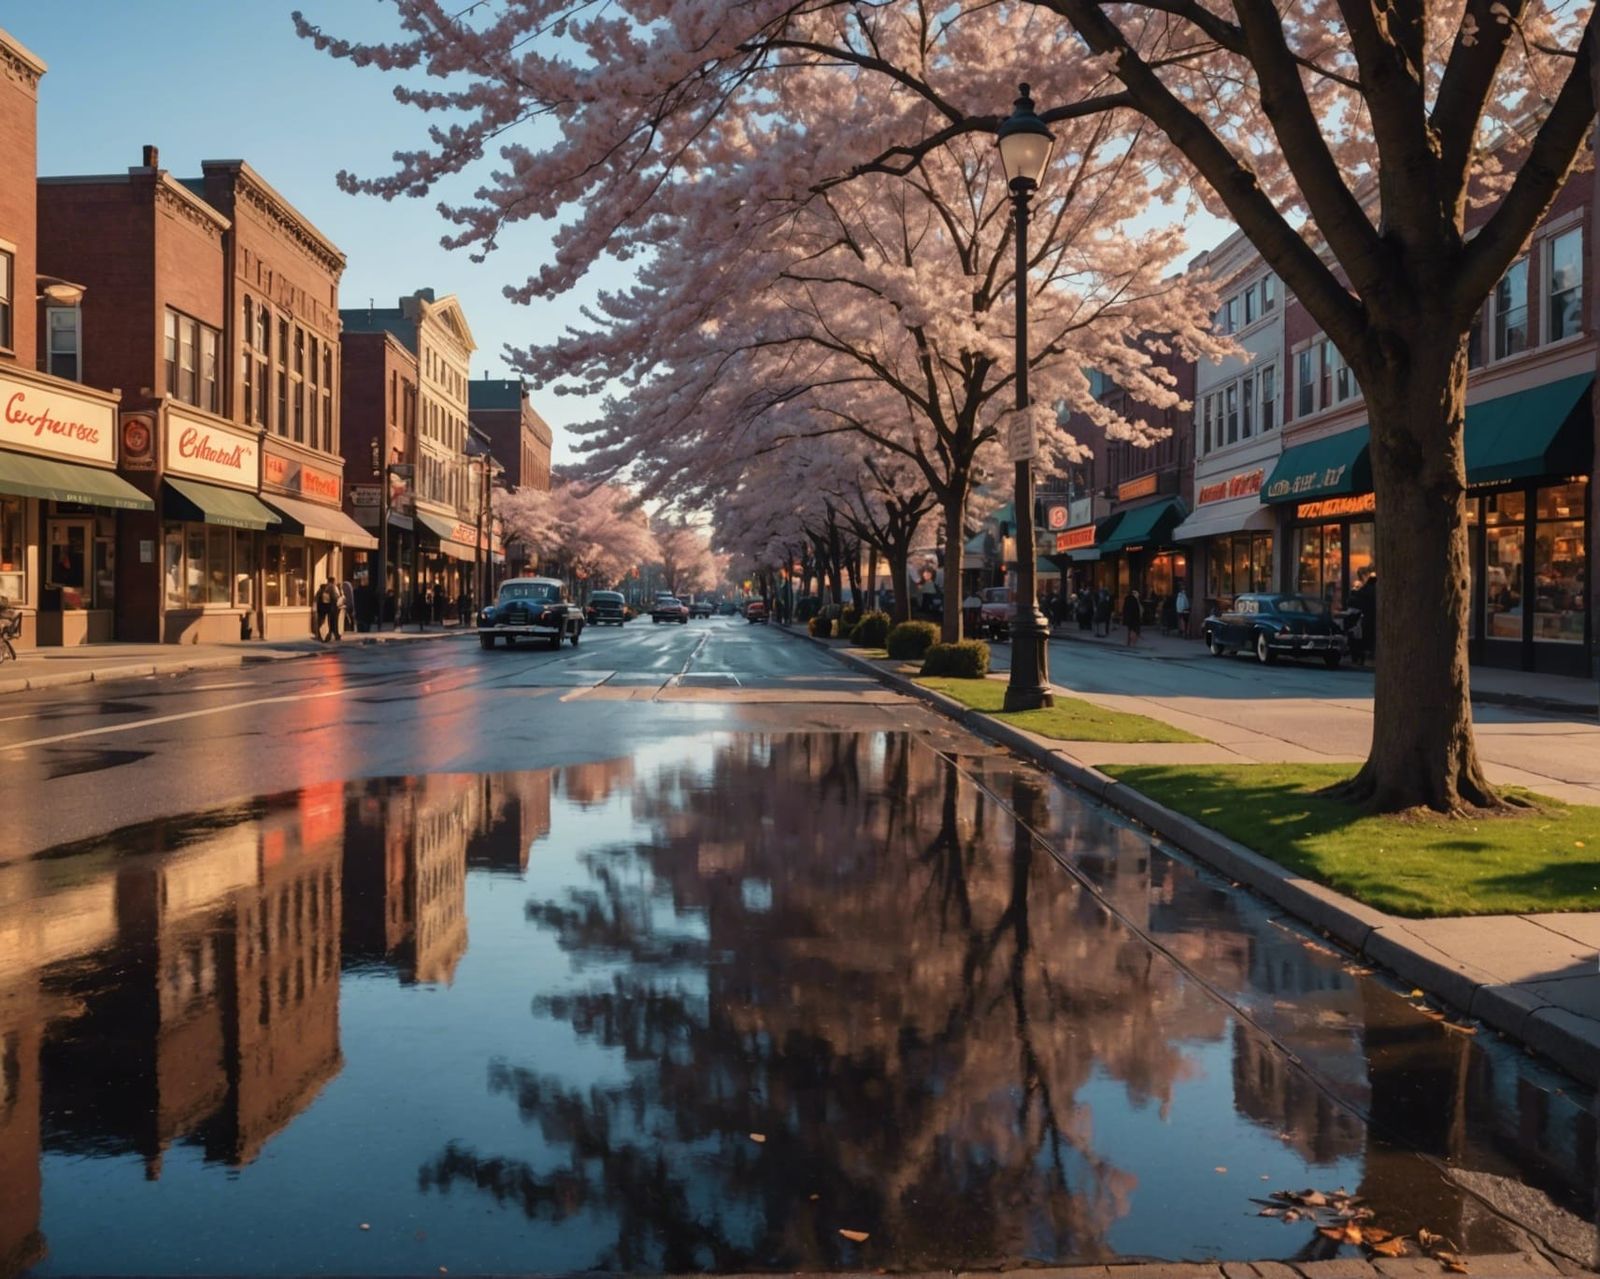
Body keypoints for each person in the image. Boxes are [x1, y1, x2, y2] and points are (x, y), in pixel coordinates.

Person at [1348, 568, 1377, 663]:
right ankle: (1367, 654)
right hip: (1371, 616)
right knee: (1368, 636)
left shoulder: (1364, 590)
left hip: (1365, 616)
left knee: (1362, 637)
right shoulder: (1373, 590)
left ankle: (1360, 656)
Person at [314, 578, 341, 642]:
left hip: (322, 609)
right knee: (331, 623)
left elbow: (316, 600)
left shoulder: (320, 591)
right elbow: (335, 597)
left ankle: (321, 636)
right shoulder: (332, 587)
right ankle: (330, 636)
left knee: (322, 623)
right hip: (330, 608)